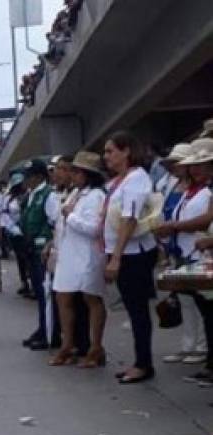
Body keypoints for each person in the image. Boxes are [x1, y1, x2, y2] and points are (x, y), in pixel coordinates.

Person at [153, 138, 213, 378]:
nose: (195, 169)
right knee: (202, 307)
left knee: (206, 309)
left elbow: (206, 218)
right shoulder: (194, 189)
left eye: (201, 164)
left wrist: (176, 227)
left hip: (200, 252)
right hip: (190, 252)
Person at [102, 131, 159, 384]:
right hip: (121, 250)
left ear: (126, 151)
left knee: (138, 310)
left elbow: (130, 217)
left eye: (110, 150)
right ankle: (140, 360)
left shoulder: (136, 179)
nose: (107, 156)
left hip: (133, 253)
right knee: (132, 308)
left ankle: (143, 363)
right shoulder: (118, 181)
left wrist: (116, 257)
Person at [50, 151, 108, 367]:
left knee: (92, 299)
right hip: (68, 253)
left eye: (75, 171)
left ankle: (96, 347)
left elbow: (94, 229)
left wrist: (70, 216)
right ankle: (69, 345)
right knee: (62, 298)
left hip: (87, 254)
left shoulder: (97, 196)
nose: (72, 175)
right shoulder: (75, 193)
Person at [20, 160, 61, 350]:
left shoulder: (49, 195)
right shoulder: (31, 195)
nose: (25, 180)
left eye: (28, 176)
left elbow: (54, 222)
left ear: (38, 177)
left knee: (46, 293)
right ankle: (43, 327)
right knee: (39, 292)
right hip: (31, 249)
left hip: (43, 251)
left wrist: (48, 245)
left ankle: (49, 334)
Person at [1, 175, 31, 296]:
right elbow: (5, 214)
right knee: (20, 259)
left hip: (27, 231)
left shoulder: (29, 196)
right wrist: (11, 227)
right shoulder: (9, 198)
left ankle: (32, 283)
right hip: (15, 232)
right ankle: (24, 283)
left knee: (28, 259)